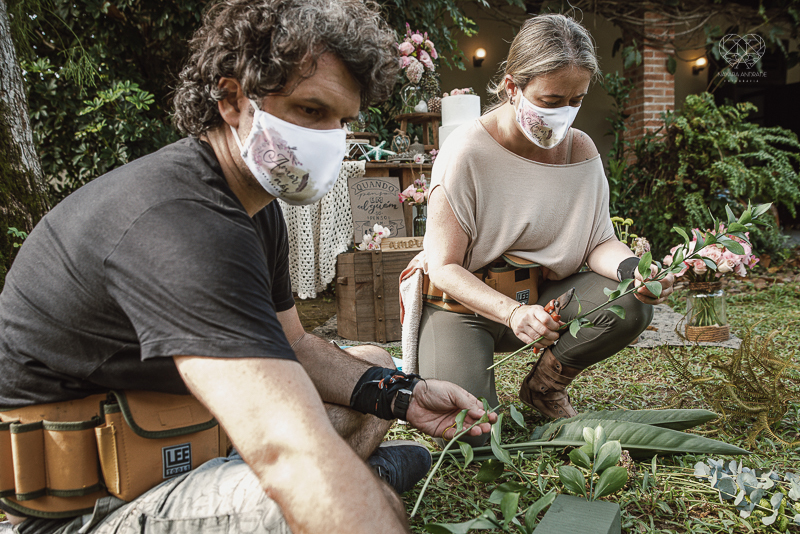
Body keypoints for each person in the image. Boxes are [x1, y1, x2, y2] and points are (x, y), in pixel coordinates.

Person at [0, 1, 495, 532]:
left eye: (343, 120)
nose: (331, 138)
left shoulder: (255, 208)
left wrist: (403, 394)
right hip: (79, 511)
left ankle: (367, 473)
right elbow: (287, 453)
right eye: (310, 111)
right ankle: (370, 475)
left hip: (174, 444)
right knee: (290, 501)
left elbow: (298, 348)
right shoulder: (177, 223)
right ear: (233, 98)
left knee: (371, 360)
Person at [417, 14, 675, 445]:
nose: (564, 115)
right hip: (466, 307)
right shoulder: (467, 153)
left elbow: (597, 240)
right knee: (475, 437)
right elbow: (442, 267)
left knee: (630, 304)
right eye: (552, 100)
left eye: (576, 100)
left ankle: (546, 385)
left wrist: (636, 270)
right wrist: (513, 313)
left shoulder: (579, 149)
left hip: (545, 302)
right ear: (513, 86)